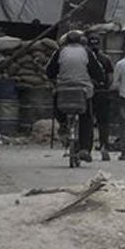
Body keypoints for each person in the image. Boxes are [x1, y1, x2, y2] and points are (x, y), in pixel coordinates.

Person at [46, 30, 95, 162]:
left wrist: (55, 78)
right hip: (83, 90)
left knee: (57, 105)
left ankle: (63, 124)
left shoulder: (60, 52)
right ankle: (85, 148)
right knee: (87, 117)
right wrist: (99, 80)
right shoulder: (87, 52)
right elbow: (96, 70)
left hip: (63, 89)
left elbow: (49, 71)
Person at [87, 34, 114, 161]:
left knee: (87, 121)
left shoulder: (85, 58)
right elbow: (110, 77)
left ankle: (87, 148)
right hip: (102, 92)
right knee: (103, 122)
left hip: (88, 93)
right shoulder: (106, 59)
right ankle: (104, 147)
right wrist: (106, 87)